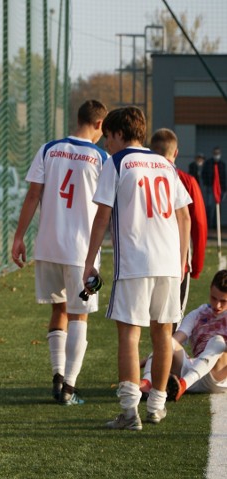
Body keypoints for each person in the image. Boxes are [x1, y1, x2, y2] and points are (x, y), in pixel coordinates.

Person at [83, 106, 191, 429]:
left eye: (107, 139)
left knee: (129, 334)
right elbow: (184, 215)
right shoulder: (165, 164)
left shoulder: (116, 162)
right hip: (169, 262)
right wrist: (182, 260)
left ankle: (129, 412)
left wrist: (89, 263)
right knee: (163, 333)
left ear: (117, 134)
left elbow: (102, 216)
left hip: (135, 261)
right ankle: (156, 406)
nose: (106, 146)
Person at [11, 100, 108, 405]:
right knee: (79, 317)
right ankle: (69, 387)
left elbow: (33, 195)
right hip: (82, 253)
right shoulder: (100, 157)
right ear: (99, 125)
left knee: (58, 309)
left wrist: (18, 237)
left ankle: (56, 376)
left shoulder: (49, 149)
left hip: (48, 246)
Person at [140, 270, 227, 401]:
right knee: (166, 341)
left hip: (218, 378)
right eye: (214, 298)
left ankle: (182, 385)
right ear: (210, 290)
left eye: (223, 301)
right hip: (194, 371)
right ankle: (147, 383)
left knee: (218, 341)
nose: (217, 305)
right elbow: (173, 342)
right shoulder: (198, 313)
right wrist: (142, 361)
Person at [148, 129, 207, 312]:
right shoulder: (185, 180)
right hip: (175, 258)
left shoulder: (138, 176)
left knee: (136, 322)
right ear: (176, 153)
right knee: (171, 321)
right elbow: (198, 223)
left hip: (143, 255)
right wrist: (195, 265)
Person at [202, 146, 224, 226]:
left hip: (219, 188)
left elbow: (224, 176)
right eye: (215, 153)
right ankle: (208, 224)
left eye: (218, 153)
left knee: (218, 207)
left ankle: (216, 225)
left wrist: (224, 188)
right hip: (210, 187)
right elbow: (204, 174)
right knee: (209, 206)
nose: (216, 155)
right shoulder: (208, 163)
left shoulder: (222, 164)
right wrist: (206, 183)